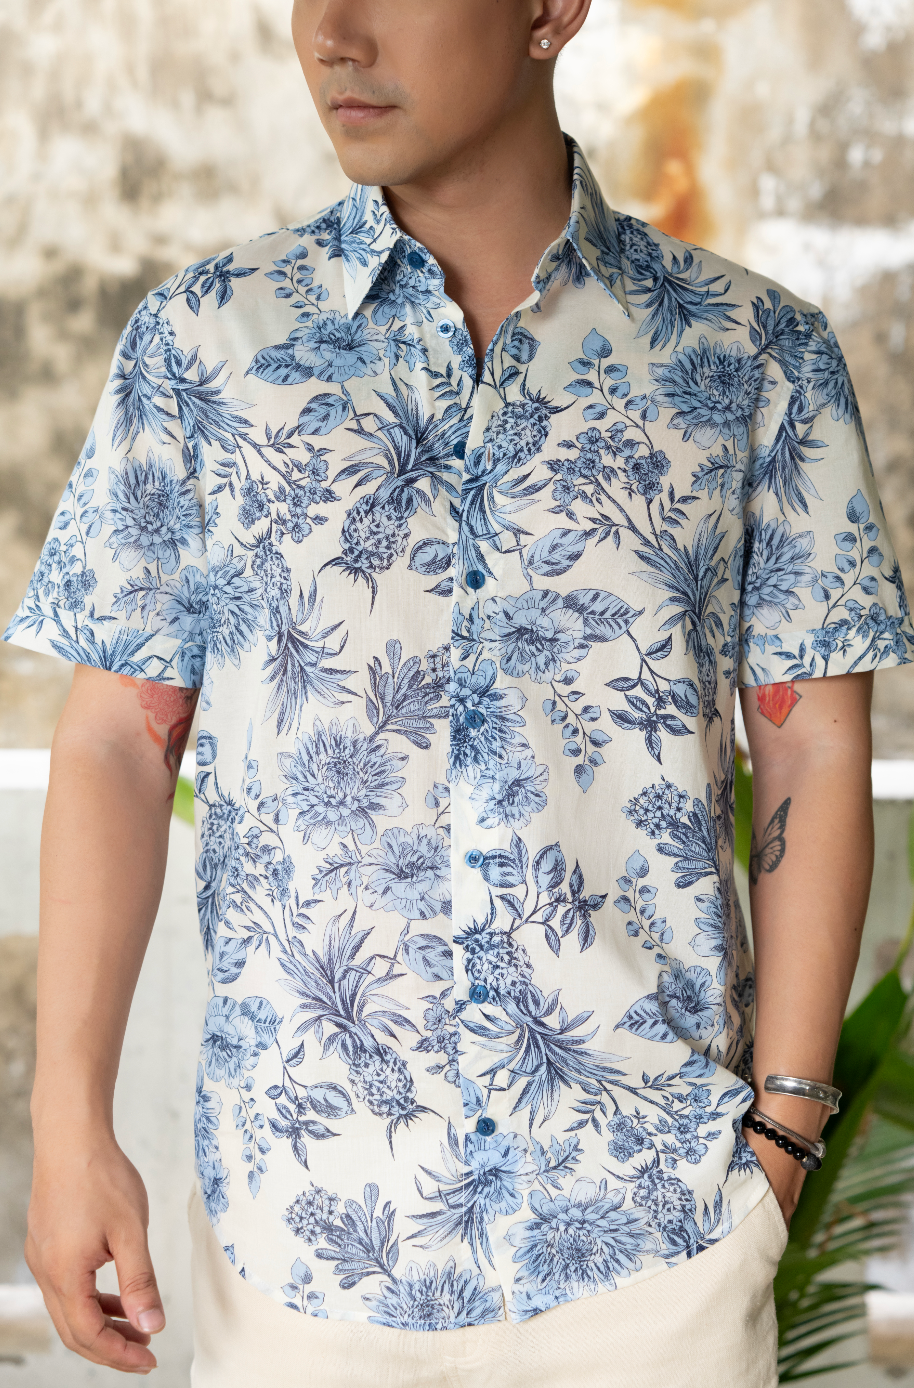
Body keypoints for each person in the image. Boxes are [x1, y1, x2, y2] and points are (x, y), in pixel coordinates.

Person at [6, 0, 911, 1383]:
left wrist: (780, 1140)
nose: (332, 33)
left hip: (651, 1250)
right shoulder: (203, 348)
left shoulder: (753, 361)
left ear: (550, 8)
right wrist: (69, 1129)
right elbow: (121, 746)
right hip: (302, 1255)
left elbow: (806, 756)